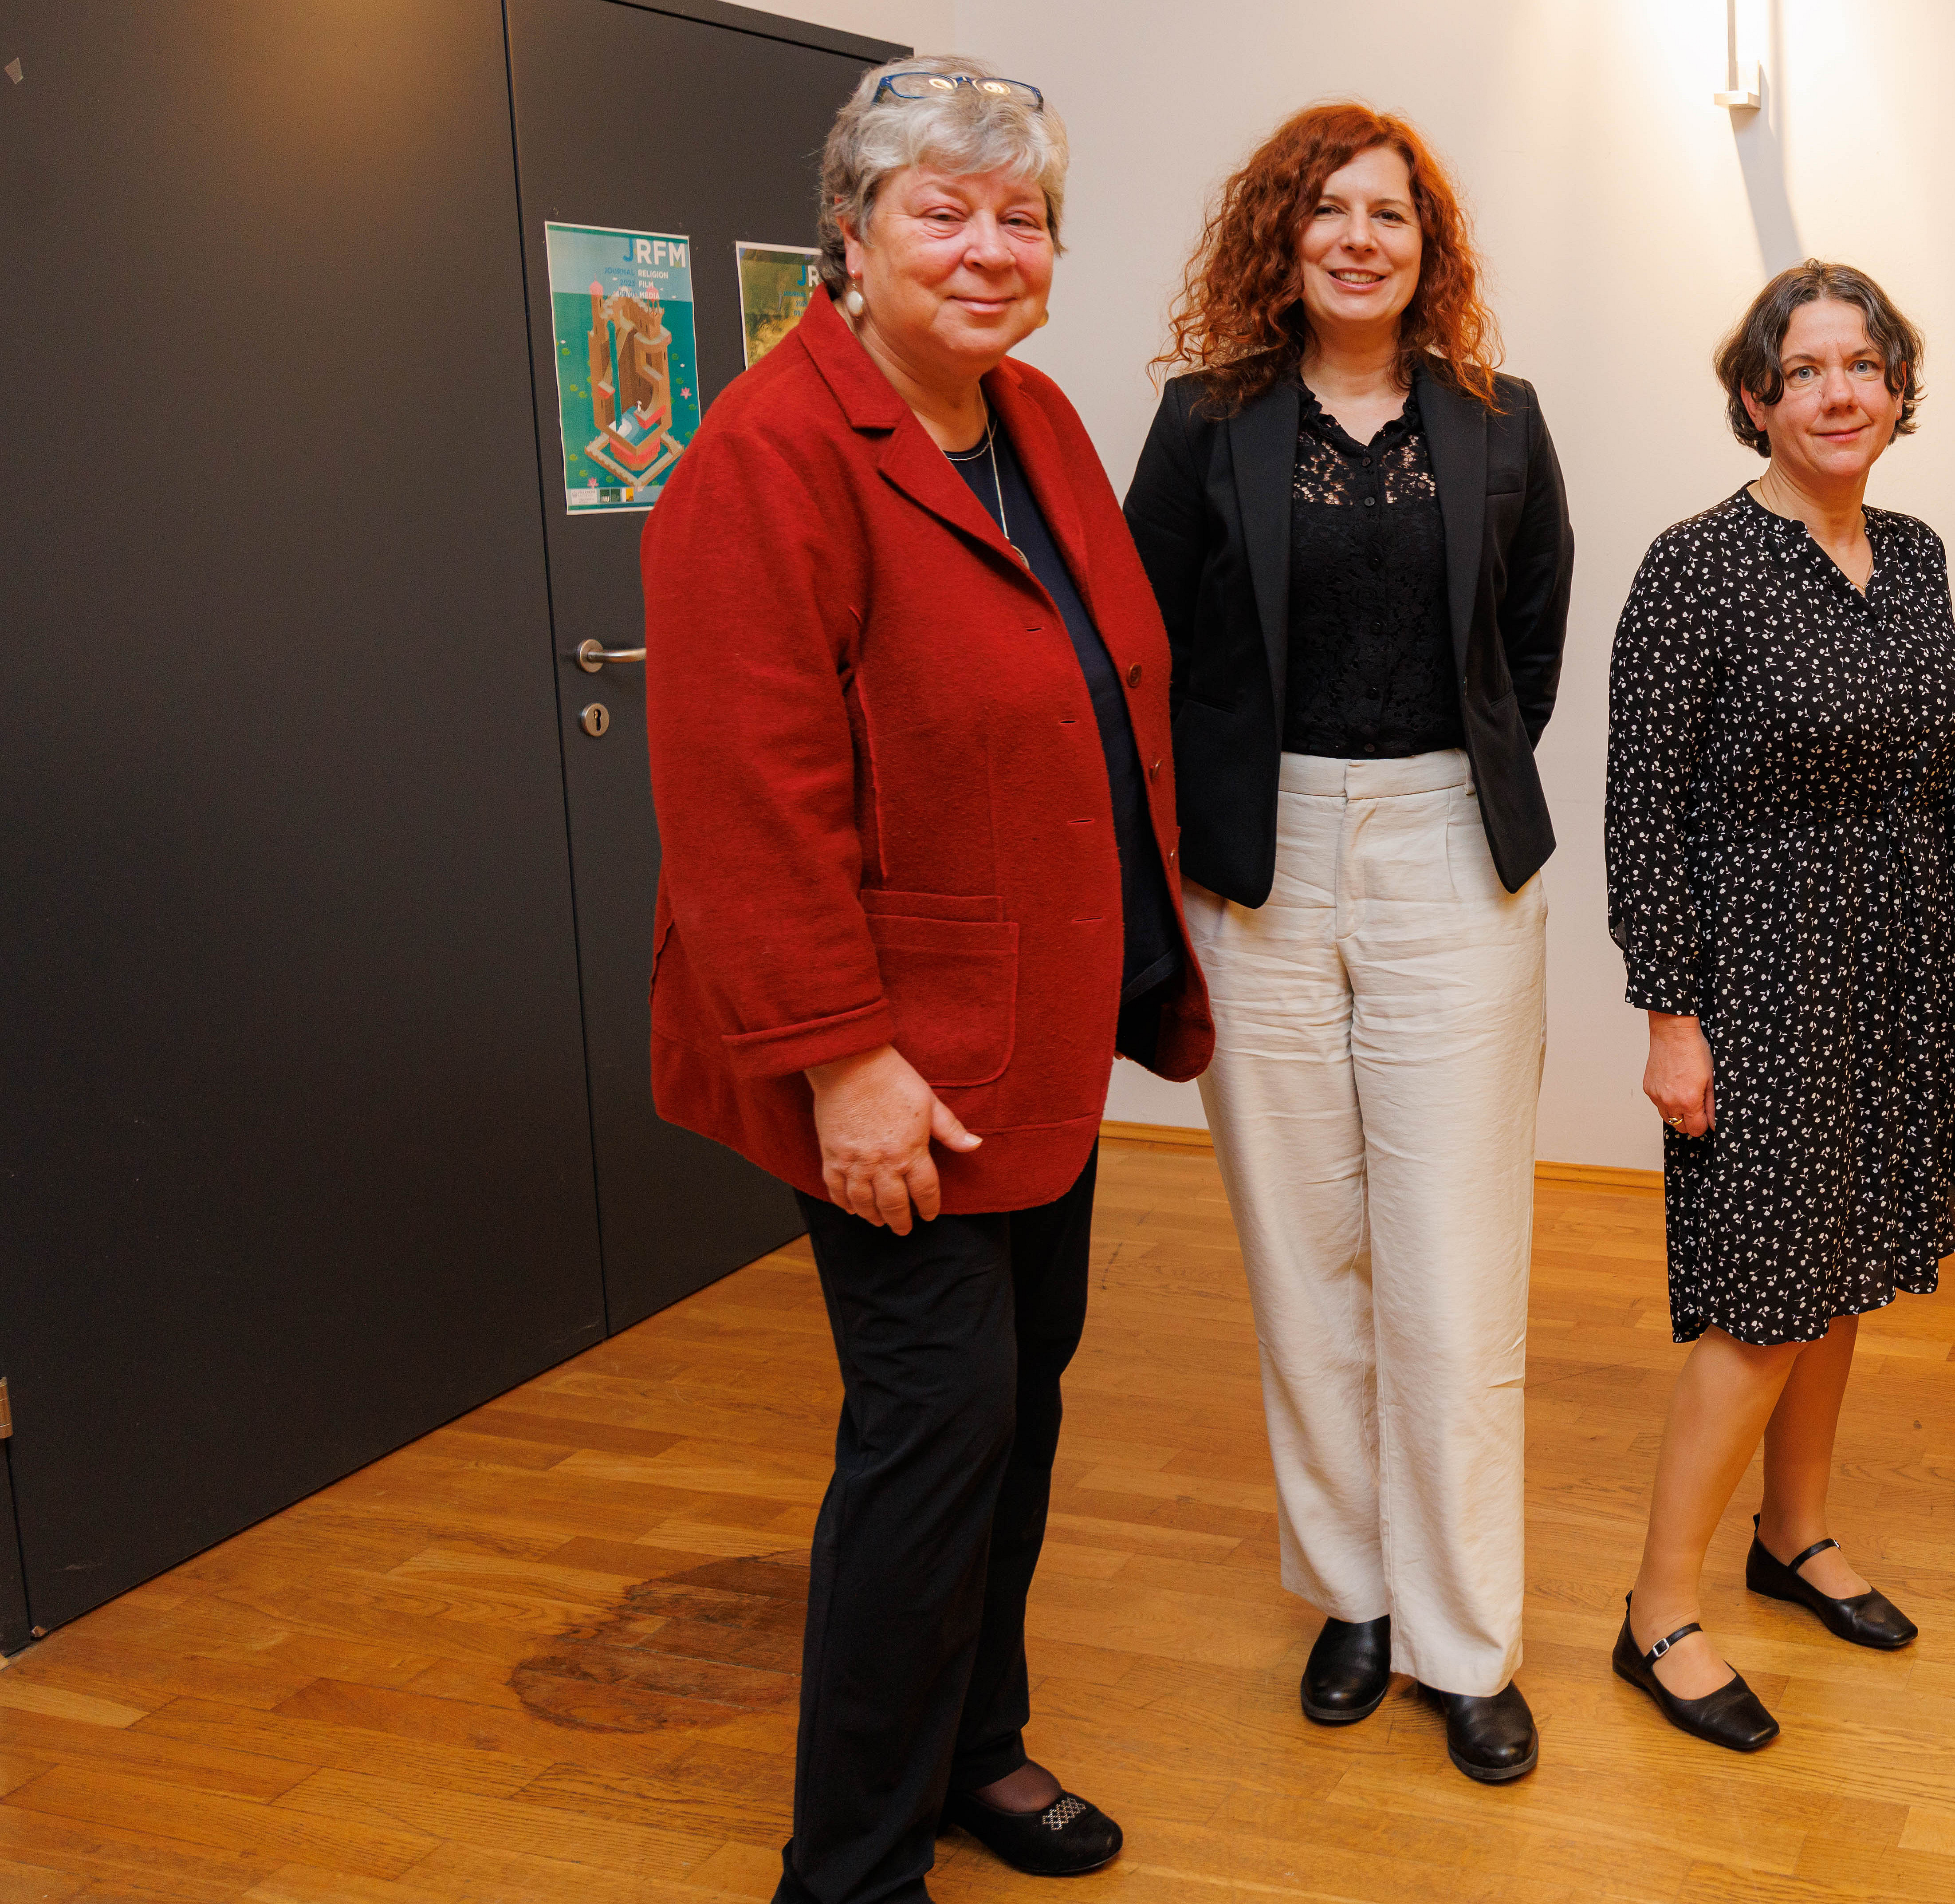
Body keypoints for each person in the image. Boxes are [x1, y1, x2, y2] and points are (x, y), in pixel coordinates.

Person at [641, 57, 1208, 1904]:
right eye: (940, 212)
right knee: (932, 1431)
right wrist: (841, 1061)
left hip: (1031, 1020)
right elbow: (746, 795)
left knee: (1019, 1401)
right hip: (892, 1056)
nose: (987, 249)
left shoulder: (1027, 416)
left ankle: (977, 1742)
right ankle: (853, 1863)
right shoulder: (768, 452)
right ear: (853, 236)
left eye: (1020, 215)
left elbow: (1098, 690)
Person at [1123, 102, 1571, 1785]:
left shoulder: (1500, 421)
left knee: (1456, 1267)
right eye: (1329, 213)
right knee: (1306, 1248)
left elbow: (1526, 637)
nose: (1361, 238)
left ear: (1426, 246)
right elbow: (1142, 646)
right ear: (1283, 240)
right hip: (1261, 862)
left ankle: (1465, 1639)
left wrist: (1446, 791)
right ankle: (1355, 1596)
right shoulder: (1202, 422)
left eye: (1391, 213)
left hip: (1457, 848)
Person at [1603, 262, 1955, 1753]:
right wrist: (1670, 1012)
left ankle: (1799, 1534)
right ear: (1756, 397)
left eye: (1864, 365)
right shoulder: (1693, 566)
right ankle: (1659, 1613)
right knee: (1760, 1304)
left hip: (1890, 959)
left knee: (1841, 1270)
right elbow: (1641, 810)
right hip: (1752, 973)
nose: (1840, 393)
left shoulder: (1913, 550)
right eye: (1806, 369)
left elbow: (1942, 779)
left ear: (1895, 389)